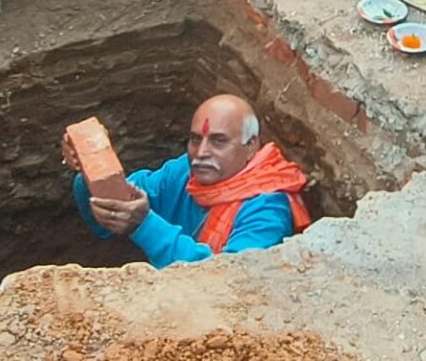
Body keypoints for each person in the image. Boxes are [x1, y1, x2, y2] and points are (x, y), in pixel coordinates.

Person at [67, 95, 309, 269]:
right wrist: (89, 169)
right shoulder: (185, 171)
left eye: (219, 141)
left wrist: (145, 225)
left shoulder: (267, 210)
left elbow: (228, 281)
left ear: (250, 146)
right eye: (195, 139)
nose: (201, 152)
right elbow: (115, 209)